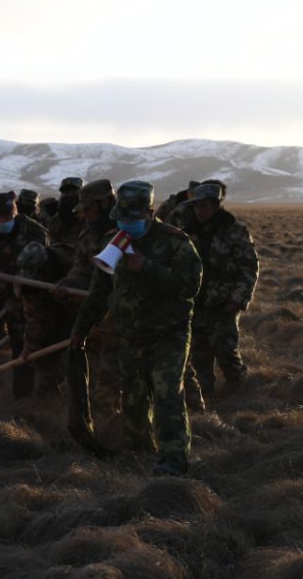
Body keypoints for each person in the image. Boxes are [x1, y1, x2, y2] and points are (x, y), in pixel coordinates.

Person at [71, 181, 202, 476]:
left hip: (170, 333)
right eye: (122, 219)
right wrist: (80, 330)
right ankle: (140, 451)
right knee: (134, 397)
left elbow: (190, 287)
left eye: (133, 219)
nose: (126, 225)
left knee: (167, 392)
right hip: (130, 335)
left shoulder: (175, 242)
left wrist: (148, 267)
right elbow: (98, 292)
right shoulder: (114, 243)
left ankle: (173, 458)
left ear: (149, 213)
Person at [182, 182, 259, 396]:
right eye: (196, 206)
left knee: (225, 350)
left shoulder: (235, 231)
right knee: (198, 352)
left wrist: (237, 299)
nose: (199, 211)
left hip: (224, 302)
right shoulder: (187, 231)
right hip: (197, 301)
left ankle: (237, 387)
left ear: (216, 206)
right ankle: (205, 394)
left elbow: (249, 268)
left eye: (203, 206)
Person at [0, 192, 48, 397]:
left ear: (15, 214)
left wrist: (21, 289)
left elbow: (44, 267)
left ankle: (22, 399)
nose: (3, 222)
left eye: (8, 218)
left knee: (24, 346)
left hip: (27, 296)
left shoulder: (35, 233)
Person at [55, 179, 122, 423]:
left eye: (90, 210)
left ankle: (116, 435)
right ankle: (100, 428)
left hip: (124, 321)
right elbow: (81, 269)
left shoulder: (124, 233)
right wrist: (69, 284)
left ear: (105, 203)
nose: (87, 216)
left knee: (113, 380)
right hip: (93, 317)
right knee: (93, 376)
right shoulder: (87, 234)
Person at [16, 241, 74, 397]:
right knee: (45, 358)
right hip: (51, 312)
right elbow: (34, 317)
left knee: (76, 358)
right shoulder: (28, 283)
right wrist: (30, 346)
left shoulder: (68, 260)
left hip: (80, 308)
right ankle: (48, 396)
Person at [47, 177, 84, 246]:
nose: (69, 194)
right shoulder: (56, 219)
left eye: (73, 190)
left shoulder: (90, 214)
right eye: (65, 191)